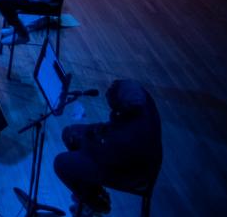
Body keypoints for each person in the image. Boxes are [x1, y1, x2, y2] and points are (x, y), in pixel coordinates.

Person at [53, 79, 163, 216]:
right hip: (124, 152)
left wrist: (92, 137)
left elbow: (102, 154)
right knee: (70, 133)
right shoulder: (141, 98)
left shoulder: (128, 136)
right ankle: (93, 191)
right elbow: (113, 128)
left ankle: (96, 203)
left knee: (62, 163)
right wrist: (95, 133)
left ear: (122, 107)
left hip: (132, 172)